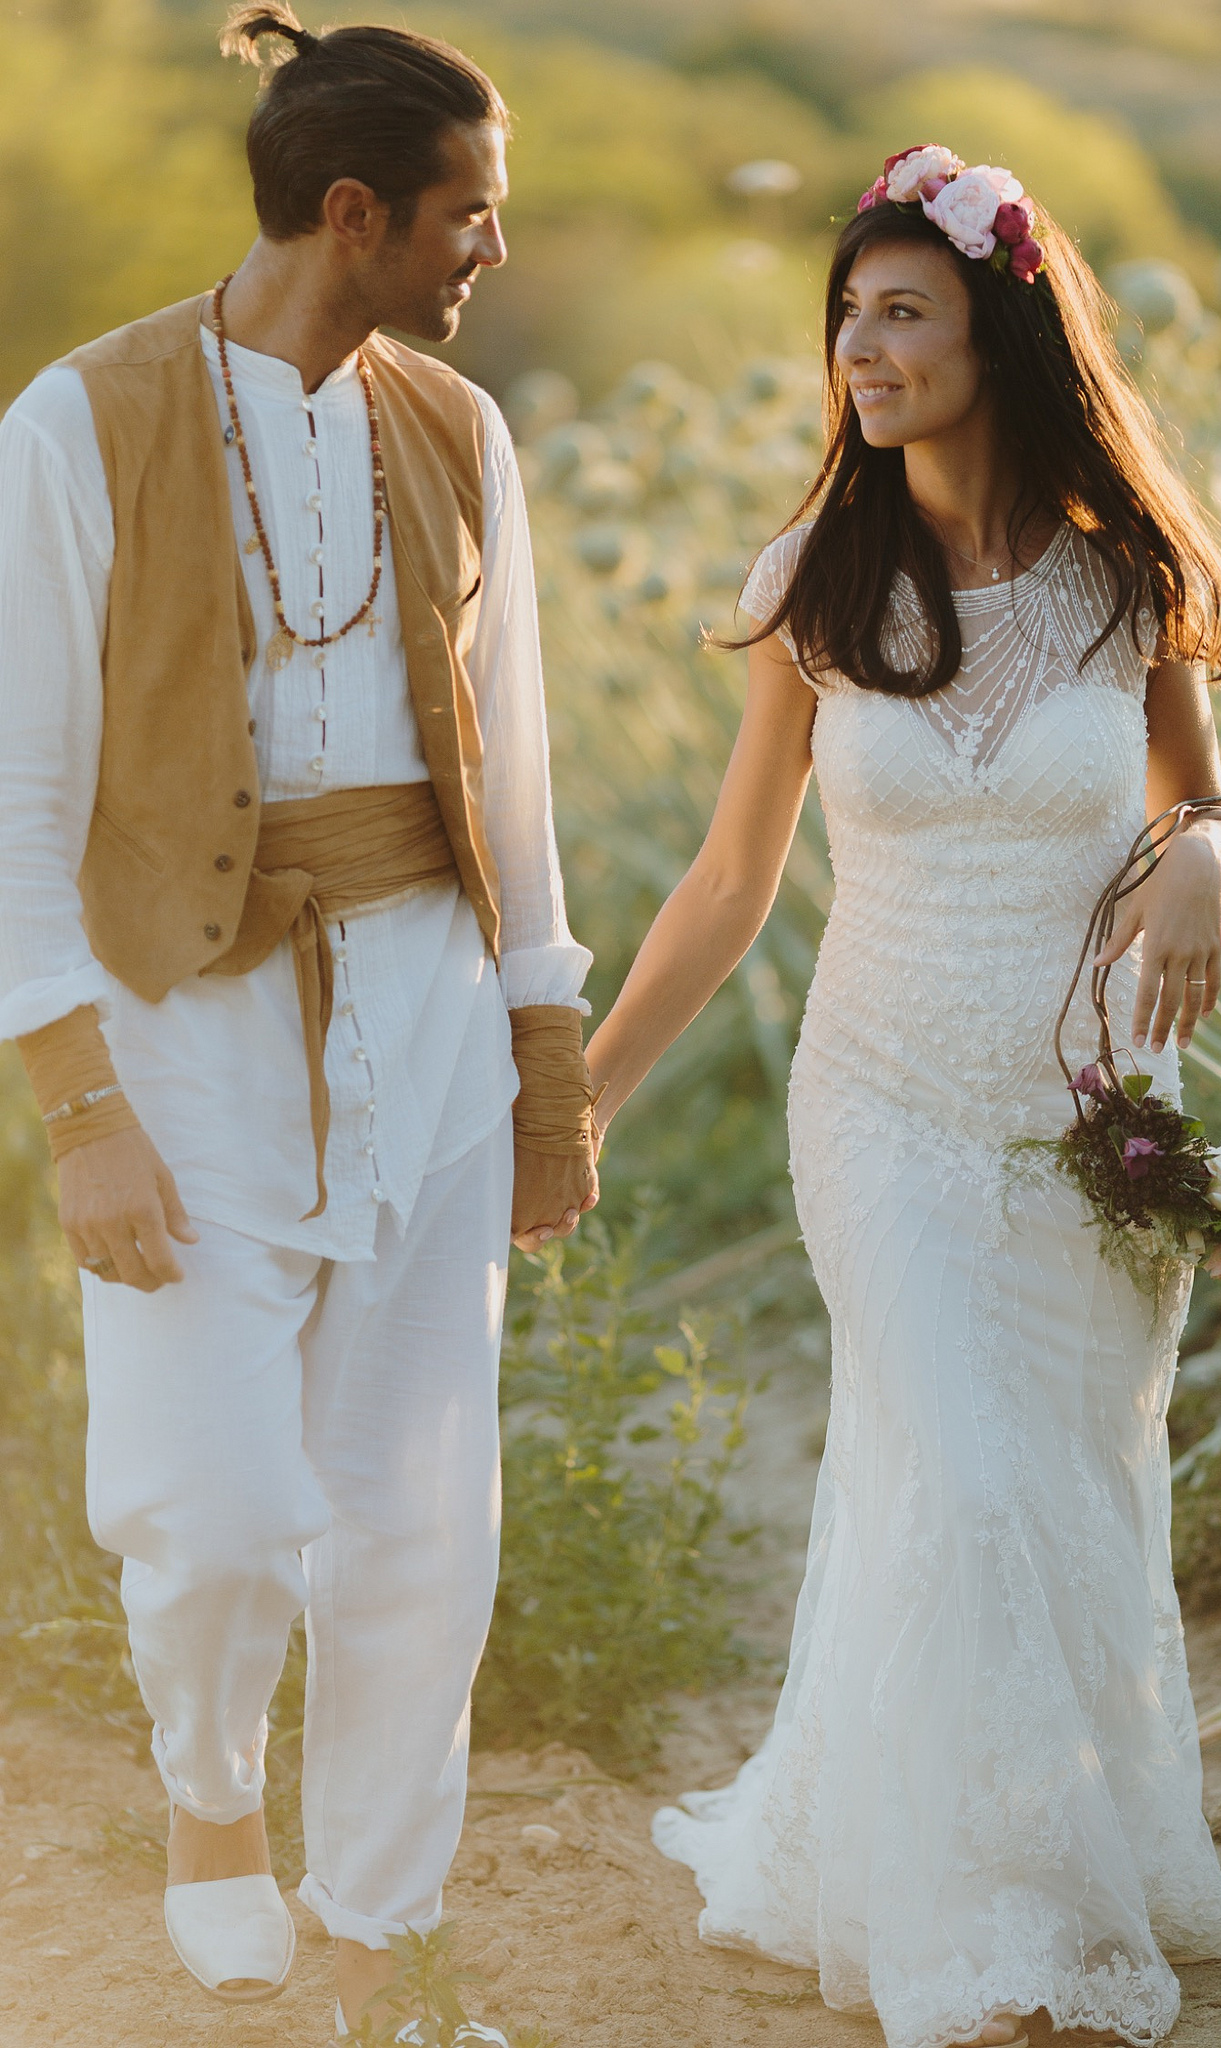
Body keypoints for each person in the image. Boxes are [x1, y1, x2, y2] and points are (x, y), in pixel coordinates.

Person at [584, 148, 1221, 2048]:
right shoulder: (814, 583)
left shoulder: (1134, 576)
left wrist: (1197, 856)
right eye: (847, 318)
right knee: (955, 1477)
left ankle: (1028, 1835)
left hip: (1084, 1114)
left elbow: (1196, 806)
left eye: (902, 312)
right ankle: (992, 1935)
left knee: (1049, 1490)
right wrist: (598, 1094)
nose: (861, 351)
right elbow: (724, 885)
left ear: (1000, 330)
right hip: (876, 1099)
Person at [0, 7, 596, 2040]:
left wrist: (544, 1058)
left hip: (427, 1026)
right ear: (353, 215)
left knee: (423, 1506)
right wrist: (74, 1099)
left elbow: (510, 773)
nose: (488, 254)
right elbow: (15, 800)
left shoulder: (460, 430)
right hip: (179, 1034)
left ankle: (377, 1926)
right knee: (223, 1508)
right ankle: (204, 1804)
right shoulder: (72, 429)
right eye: (469, 217)